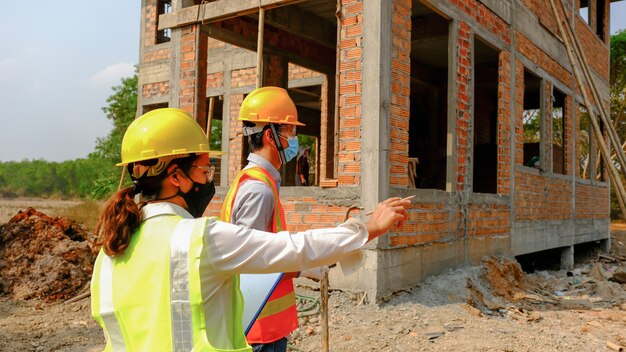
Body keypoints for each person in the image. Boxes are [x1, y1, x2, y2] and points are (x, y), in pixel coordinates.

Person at [90, 107, 410, 351]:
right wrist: (367, 227)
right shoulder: (200, 239)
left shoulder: (109, 253)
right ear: (176, 176)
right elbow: (293, 247)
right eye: (204, 169)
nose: (208, 179)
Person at [220, 87, 318, 351]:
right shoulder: (258, 189)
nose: (295, 139)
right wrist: (303, 263)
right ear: (270, 136)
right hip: (260, 328)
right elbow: (250, 262)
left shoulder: (257, 180)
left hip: (264, 326)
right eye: (290, 132)